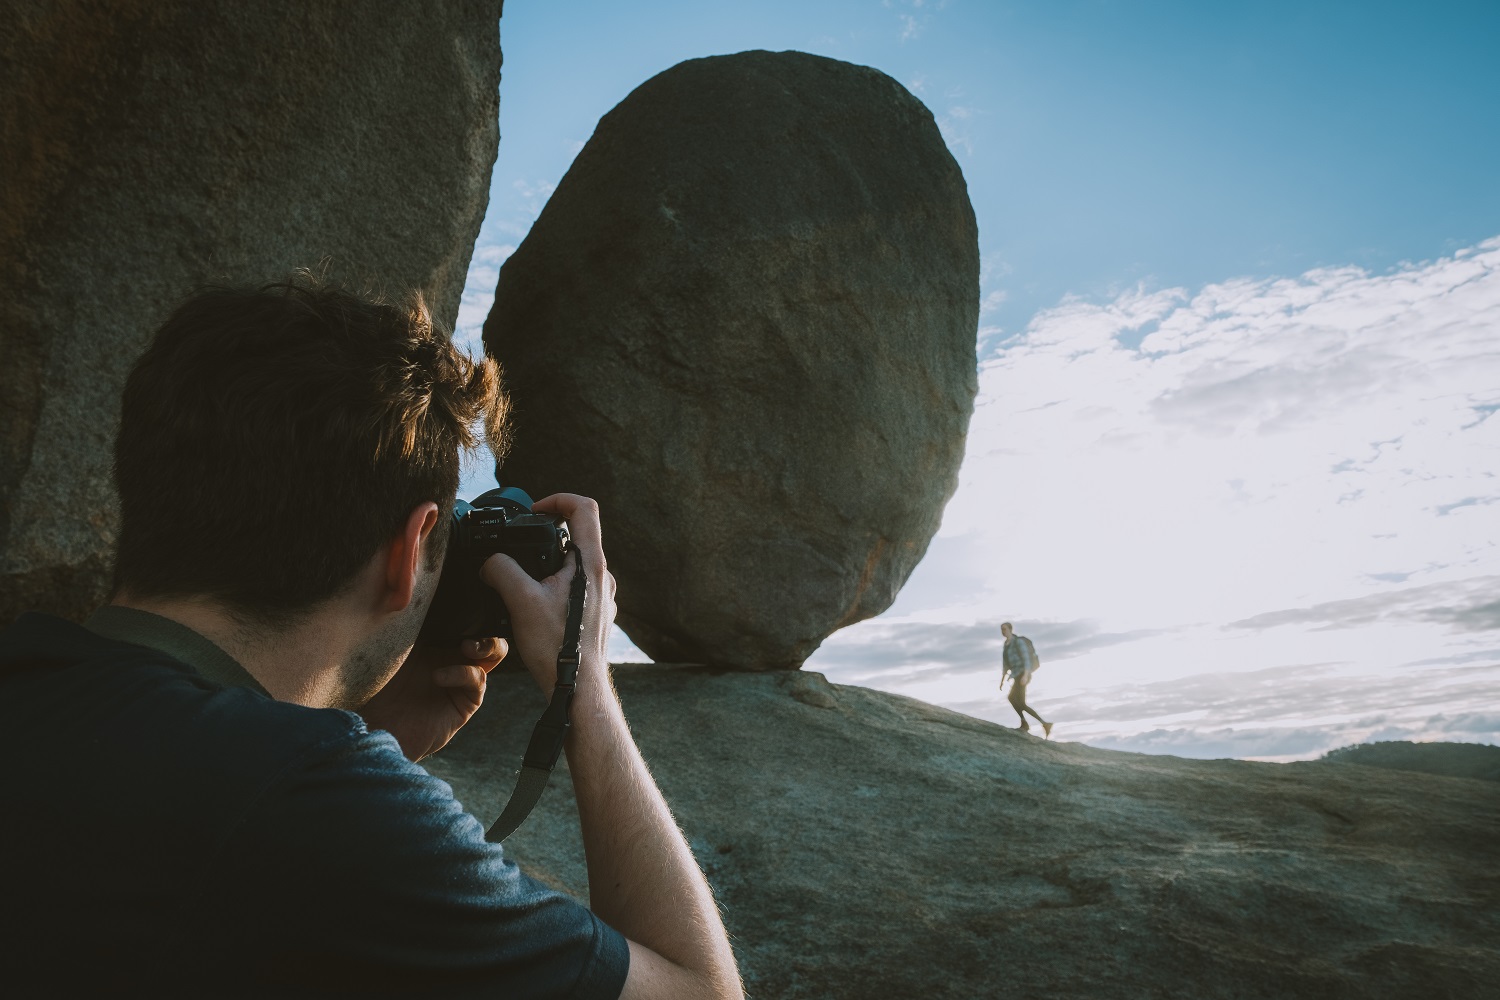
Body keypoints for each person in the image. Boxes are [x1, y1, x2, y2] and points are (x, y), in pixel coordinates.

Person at [0, 280, 742, 999]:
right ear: (408, 549)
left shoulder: (34, 687)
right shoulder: (314, 798)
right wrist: (584, 689)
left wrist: (352, 728)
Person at [1001, 621, 1052, 738]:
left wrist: (1025, 675)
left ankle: (1040, 723)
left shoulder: (1018, 642)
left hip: (1023, 674)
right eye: (1001, 629)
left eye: (1004, 629)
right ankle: (1033, 723)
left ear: (1010, 629)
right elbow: (1005, 665)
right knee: (1014, 699)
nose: (1002, 631)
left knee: (1019, 701)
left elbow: (1026, 660)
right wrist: (1002, 680)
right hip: (1016, 675)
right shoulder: (1006, 645)